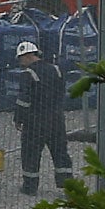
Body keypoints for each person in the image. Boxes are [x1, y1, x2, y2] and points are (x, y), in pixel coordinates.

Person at [12, 41, 73, 196]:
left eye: (21, 59)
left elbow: (23, 100)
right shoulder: (56, 70)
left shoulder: (28, 74)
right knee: (60, 152)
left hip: (35, 121)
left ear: (27, 56)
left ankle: (30, 187)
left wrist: (18, 119)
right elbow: (61, 92)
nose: (21, 63)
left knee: (30, 153)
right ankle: (68, 186)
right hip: (57, 118)